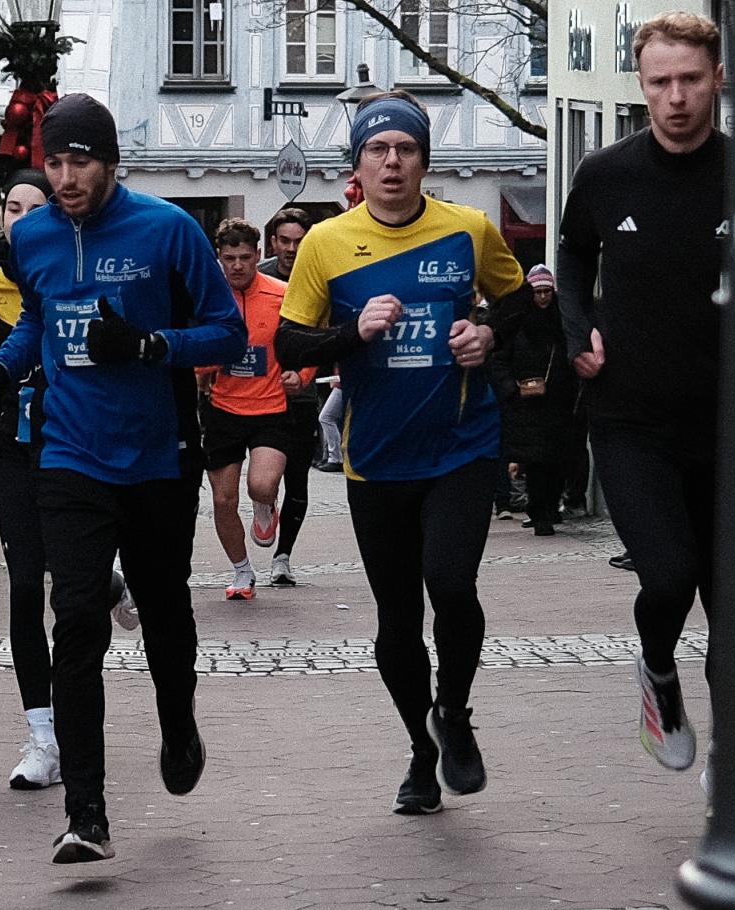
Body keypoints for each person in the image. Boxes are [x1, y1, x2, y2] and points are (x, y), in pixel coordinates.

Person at [0, 95, 245, 864]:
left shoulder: (167, 230)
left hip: (156, 458)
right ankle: (86, 812)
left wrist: (149, 346)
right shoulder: (32, 236)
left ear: (110, 162)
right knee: (77, 618)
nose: (66, 178)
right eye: (54, 163)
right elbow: (36, 321)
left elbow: (228, 331)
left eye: (79, 161)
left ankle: (178, 722)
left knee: (164, 612)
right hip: (70, 455)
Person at [275, 90, 528, 818]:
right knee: (397, 617)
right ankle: (421, 750)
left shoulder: (469, 229)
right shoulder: (326, 243)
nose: (393, 163)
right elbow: (288, 344)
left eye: (406, 149)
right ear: (357, 165)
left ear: (424, 161)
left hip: (460, 446)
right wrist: (351, 334)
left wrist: (488, 335)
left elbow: (519, 302)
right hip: (377, 459)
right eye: (378, 150)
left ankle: (454, 712)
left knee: (451, 584)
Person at [555, 10, 727, 783]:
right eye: (661, 82)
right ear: (641, 85)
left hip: (734, 422)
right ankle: (658, 671)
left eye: (690, 79)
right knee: (667, 577)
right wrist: (577, 332)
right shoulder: (605, 174)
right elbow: (571, 255)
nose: (676, 97)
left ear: (717, 78)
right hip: (630, 419)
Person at [0, 170, 65, 789]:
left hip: (74, 444)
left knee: (73, 591)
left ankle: (109, 583)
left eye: (35, 207)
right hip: (15, 447)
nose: (21, 218)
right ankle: (43, 737)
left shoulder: (72, 270)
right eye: (12, 207)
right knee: (26, 587)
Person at [203, 218, 311, 600]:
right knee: (223, 500)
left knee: (261, 485)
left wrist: (303, 375)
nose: (237, 266)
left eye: (245, 258)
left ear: (258, 255)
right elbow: (194, 346)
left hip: (271, 407)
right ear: (219, 258)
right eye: (229, 258)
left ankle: (266, 505)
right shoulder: (208, 298)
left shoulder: (282, 294)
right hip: (223, 408)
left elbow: (307, 339)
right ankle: (242, 571)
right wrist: (202, 367)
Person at [258, 206, 325, 582]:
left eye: (299, 241)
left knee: (297, 479)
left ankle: (282, 557)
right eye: (284, 241)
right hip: (259, 394)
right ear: (273, 243)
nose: (291, 249)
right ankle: (263, 501)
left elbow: (323, 336)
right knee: (263, 477)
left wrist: (303, 375)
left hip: (300, 395)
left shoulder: (317, 277)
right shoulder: (259, 276)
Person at [489, 265, 577, 537]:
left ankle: (551, 506)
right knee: (535, 462)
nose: (542, 298)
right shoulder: (517, 323)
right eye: (537, 292)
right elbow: (499, 360)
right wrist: (512, 389)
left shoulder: (562, 321)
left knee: (557, 460)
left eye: (546, 292)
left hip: (558, 401)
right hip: (526, 403)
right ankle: (540, 513)